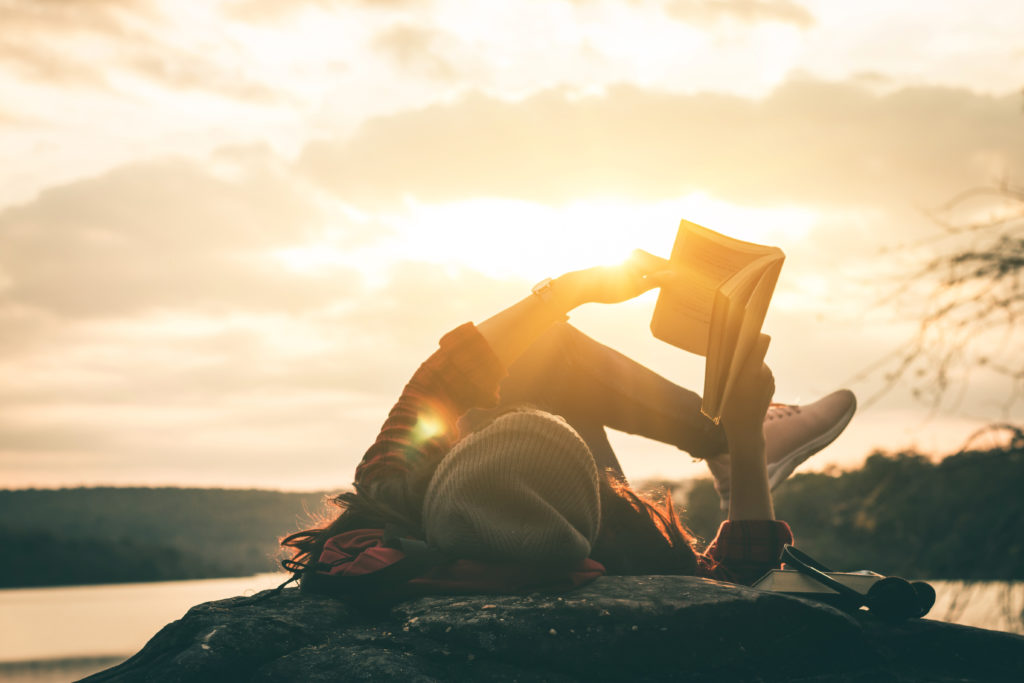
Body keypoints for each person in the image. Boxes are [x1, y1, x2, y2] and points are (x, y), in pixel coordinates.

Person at [283, 251, 856, 594]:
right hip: (610, 518)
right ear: (597, 498)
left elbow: (444, 377)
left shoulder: (390, 501)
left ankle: (724, 444)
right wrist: (747, 441)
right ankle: (729, 445)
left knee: (537, 349)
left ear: (447, 470)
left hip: (502, 522)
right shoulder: (630, 548)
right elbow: (743, 582)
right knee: (538, 354)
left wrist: (572, 291)